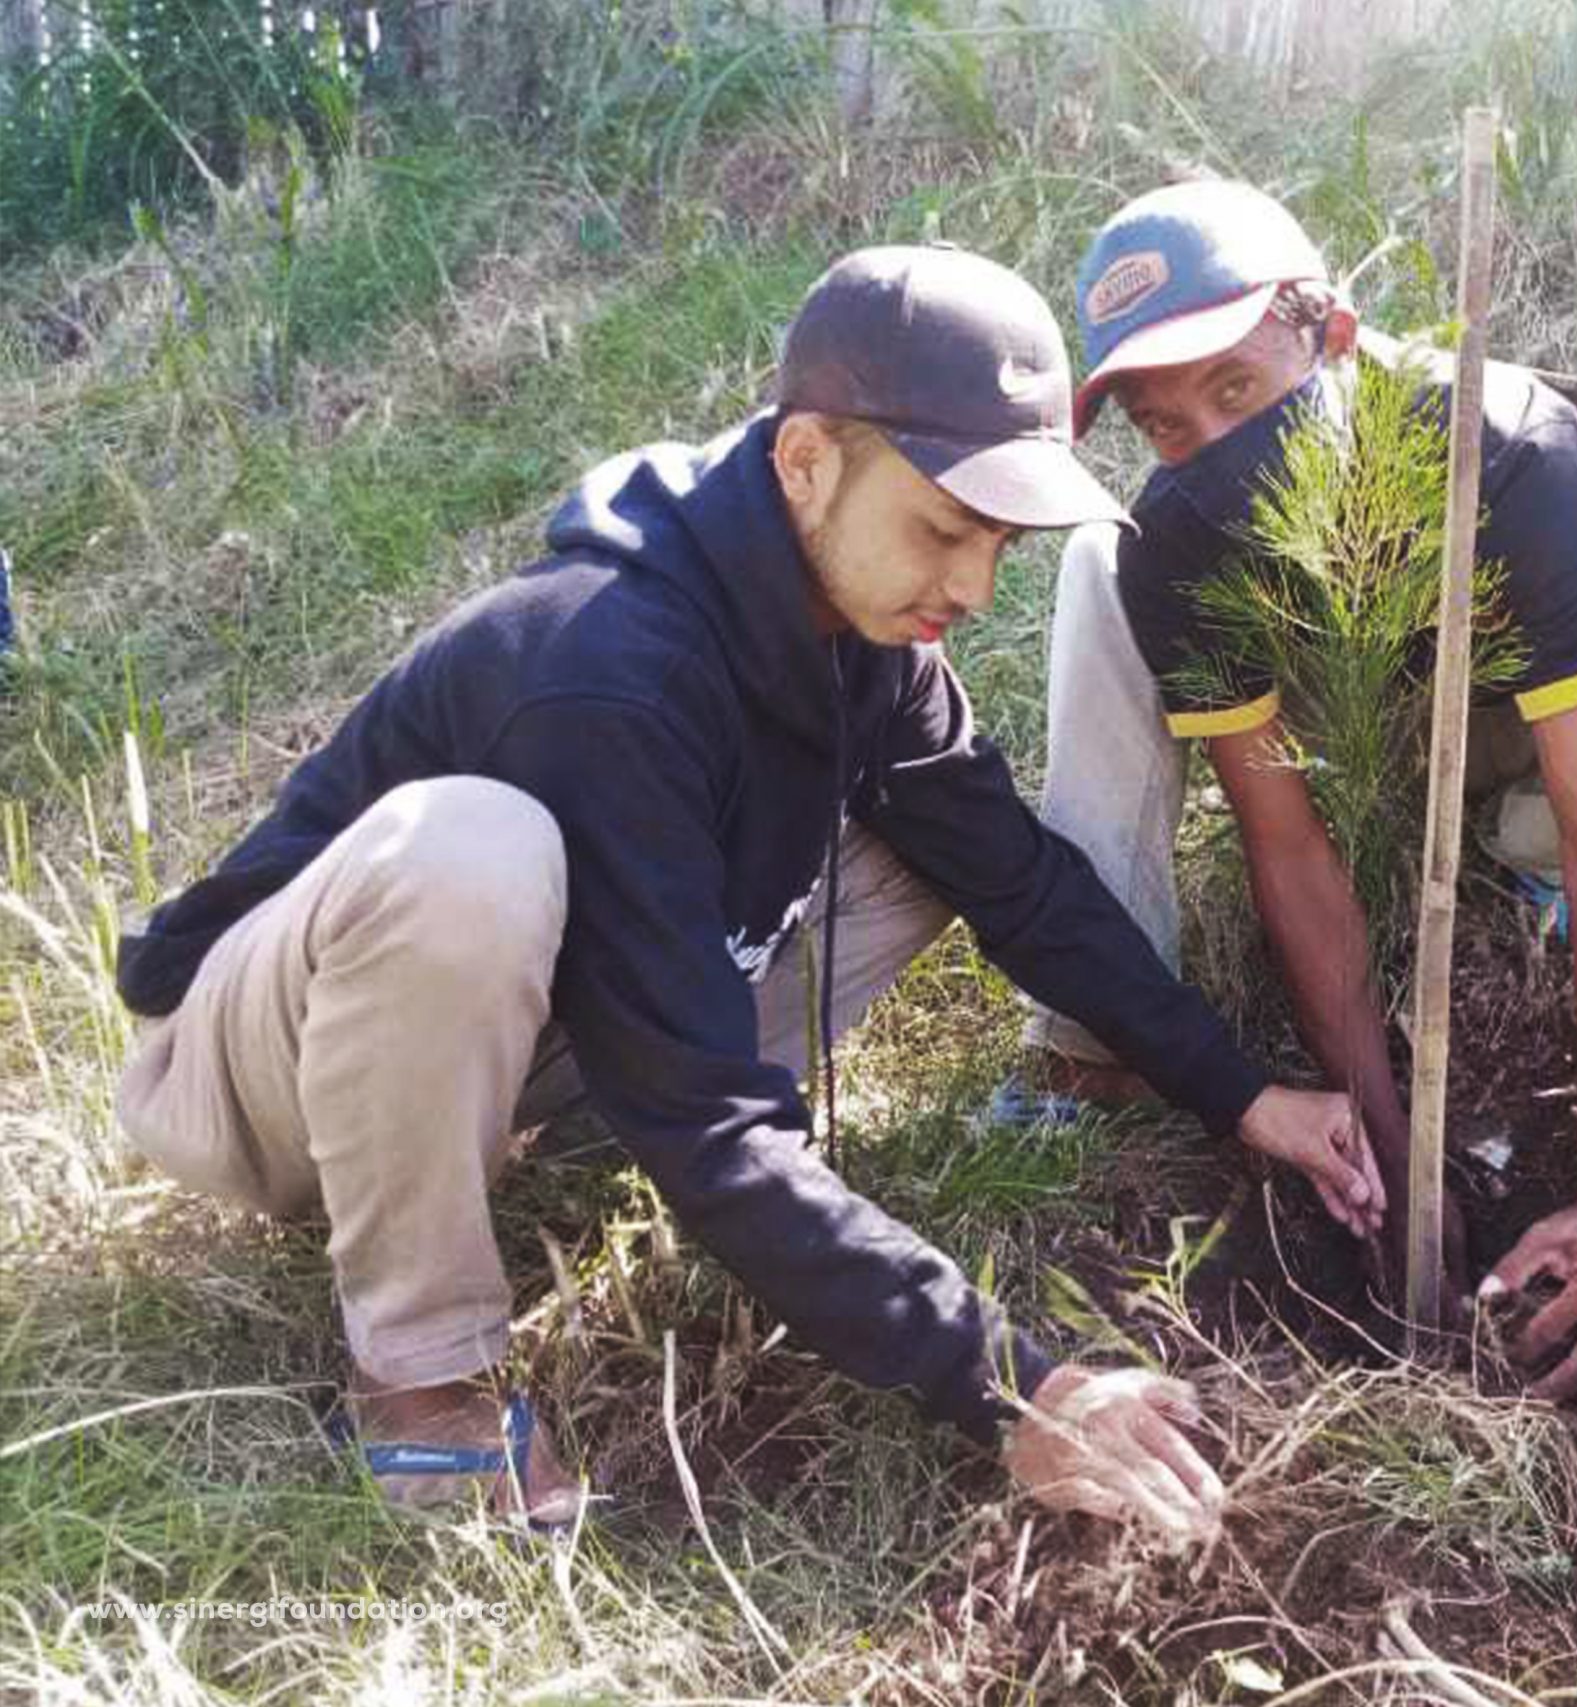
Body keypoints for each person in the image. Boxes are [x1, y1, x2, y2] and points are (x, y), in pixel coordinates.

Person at [111, 245, 1384, 1540]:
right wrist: (1018, 1386)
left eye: (997, 540)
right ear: (807, 460)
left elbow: (1023, 884)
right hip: (256, 1080)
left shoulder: (866, 639)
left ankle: (562, 1129)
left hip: (509, 1046)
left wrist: (1240, 1089)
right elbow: (721, 1130)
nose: (972, 587)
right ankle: (420, 1379)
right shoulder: (605, 665)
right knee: (472, 851)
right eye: (945, 527)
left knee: (932, 851)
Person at [1011, 182, 1577, 1400]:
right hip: (1336, 731)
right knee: (1101, 562)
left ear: (1334, 339)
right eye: (1167, 426)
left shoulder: (1506, 451)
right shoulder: (1181, 540)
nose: (1209, 447)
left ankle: (1502, 862)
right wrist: (1390, 1150)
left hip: (1523, 724)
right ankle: (1088, 1038)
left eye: (1238, 390)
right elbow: (1293, 850)